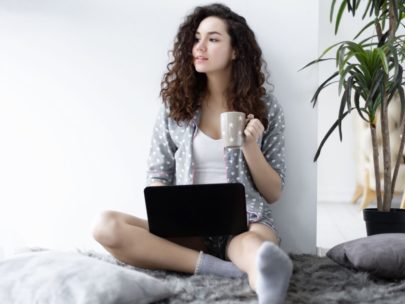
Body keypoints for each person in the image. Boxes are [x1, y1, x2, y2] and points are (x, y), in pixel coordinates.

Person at [92, 3, 292, 304]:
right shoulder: (175, 107)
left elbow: (273, 192)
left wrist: (251, 146)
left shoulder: (265, 107)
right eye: (196, 38)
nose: (199, 47)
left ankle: (264, 281)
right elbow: (158, 174)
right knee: (105, 225)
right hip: (189, 227)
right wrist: (165, 211)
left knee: (256, 250)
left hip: (246, 222)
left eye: (212, 39)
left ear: (235, 50)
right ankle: (221, 269)